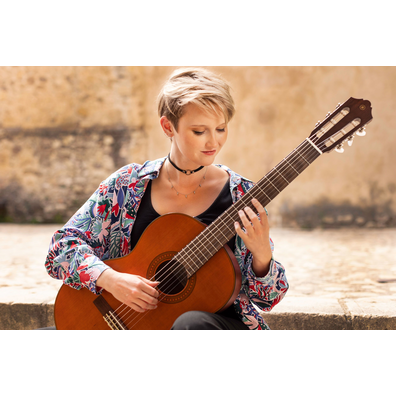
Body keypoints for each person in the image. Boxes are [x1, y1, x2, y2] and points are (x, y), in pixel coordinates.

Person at [45, 67, 289, 330]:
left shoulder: (240, 195)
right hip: (137, 323)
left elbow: (268, 300)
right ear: (168, 126)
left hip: (214, 325)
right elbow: (60, 250)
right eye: (199, 131)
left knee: (191, 324)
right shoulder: (127, 185)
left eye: (220, 129)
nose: (213, 142)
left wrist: (262, 256)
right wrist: (111, 279)